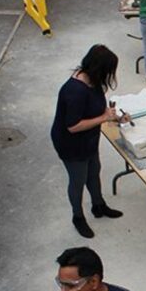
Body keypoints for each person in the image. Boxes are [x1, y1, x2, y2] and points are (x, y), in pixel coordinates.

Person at [51, 45, 128, 239]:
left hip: (89, 138)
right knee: (78, 180)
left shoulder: (94, 82)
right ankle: (78, 217)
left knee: (94, 171)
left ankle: (98, 205)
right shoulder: (74, 91)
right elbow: (73, 126)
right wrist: (104, 119)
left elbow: (99, 111)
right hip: (71, 144)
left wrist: (115, 117)